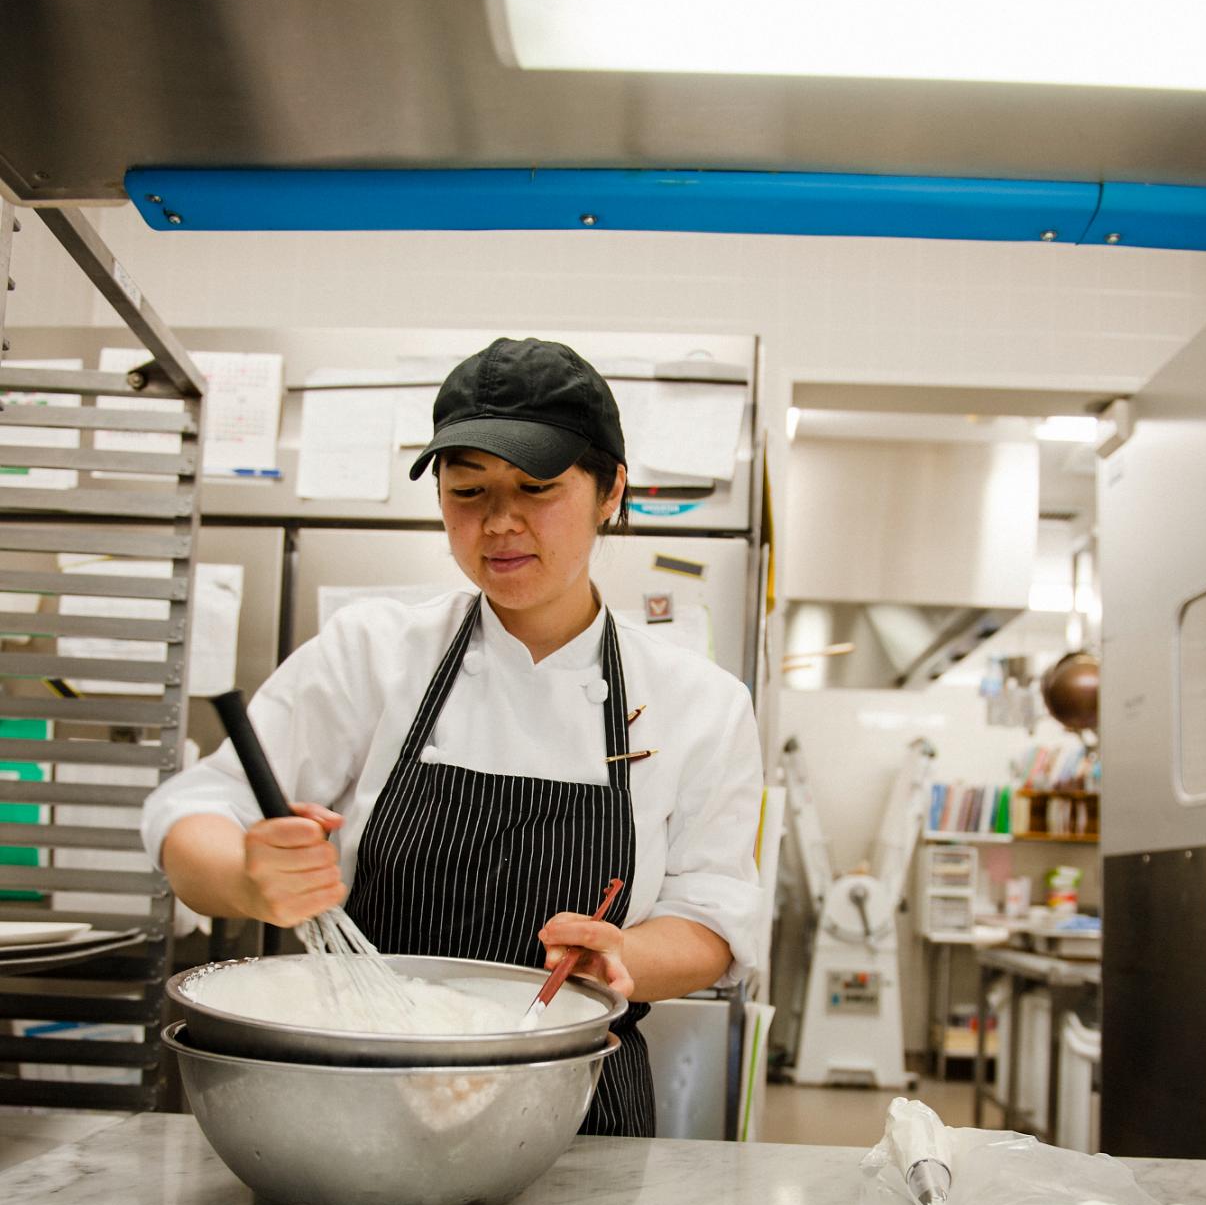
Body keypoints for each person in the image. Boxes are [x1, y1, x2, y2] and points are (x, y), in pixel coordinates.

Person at [143, 335, 763, 1137]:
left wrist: (626, 961)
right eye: (466, 491)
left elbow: (711, 916)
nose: (499, 523)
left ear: (611, 490)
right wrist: (246, 875)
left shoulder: (699, 703)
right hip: (359, 1102)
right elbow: (197, 805)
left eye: (536, 487)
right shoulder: (372, 652)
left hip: (575, 1114)